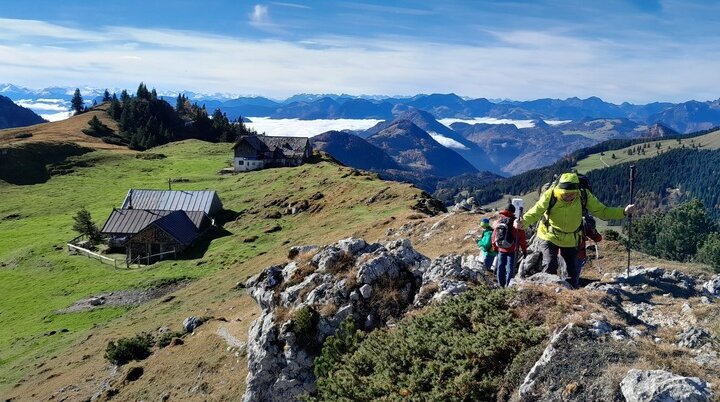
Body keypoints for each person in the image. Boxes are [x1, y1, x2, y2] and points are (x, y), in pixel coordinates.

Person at [521, 173, 634, 288]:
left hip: (571, 238)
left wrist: (623, 212)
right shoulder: (550, 195)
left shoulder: (583, 195)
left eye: (572, 194)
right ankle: (548, 294)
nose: (569, 197)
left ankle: (570, 296)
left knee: (571, 272)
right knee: (550, 265)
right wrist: (522, 222)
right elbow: (536, 211)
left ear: (577, 190)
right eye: (565, 194)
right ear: (559, 190)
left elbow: (602, 211)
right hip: (549, 235)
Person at [492, 204, 528, 287]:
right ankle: (508, 286)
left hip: (501, 248)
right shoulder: (516, 223)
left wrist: (494, 247)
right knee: (510, 269)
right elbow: (522, 238)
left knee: (500, 267)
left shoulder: (499, 221)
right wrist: (524, 250)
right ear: (513, 212)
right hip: (512, 249)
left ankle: (501, 285)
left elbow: (493, 236)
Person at [576, 214, 602, 280]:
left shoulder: (582, 225)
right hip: (574, 253)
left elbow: (597, 238)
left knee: (573, 275)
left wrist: (592, 228)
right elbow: (597, 238)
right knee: (572, 275)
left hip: (578, 254)